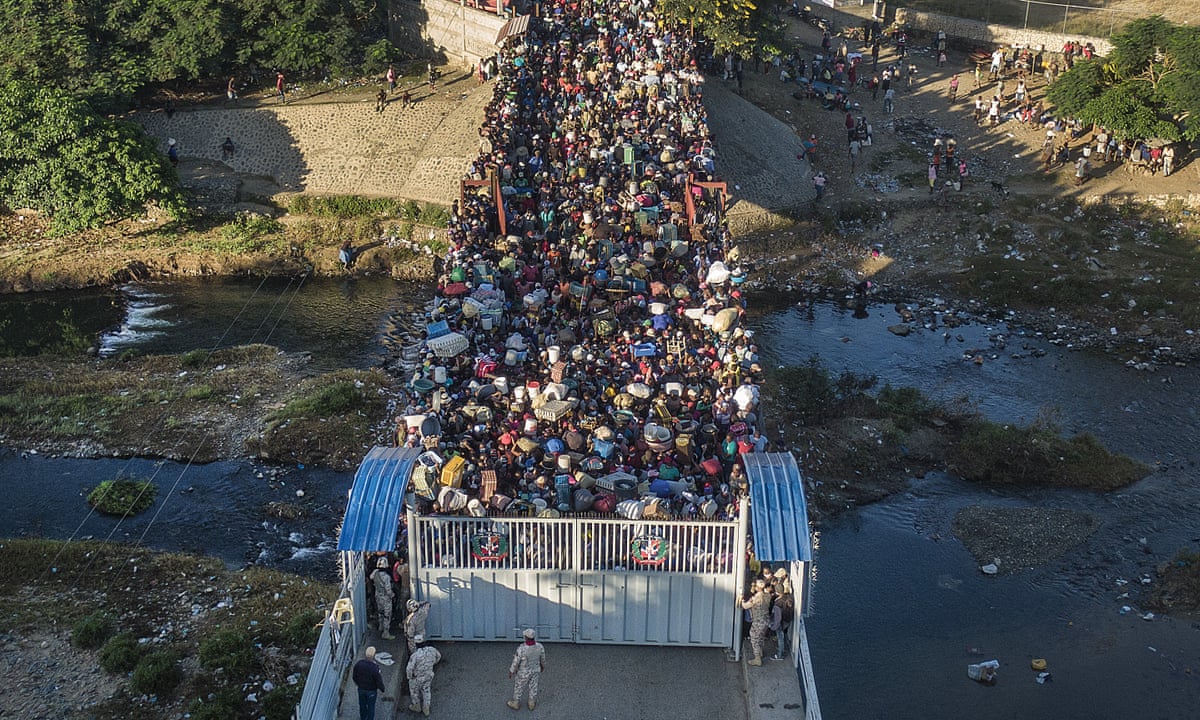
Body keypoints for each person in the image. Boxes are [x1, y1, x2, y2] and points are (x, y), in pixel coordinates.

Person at [507, 628, 546, 711]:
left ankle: (516, 703)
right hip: (535, 670)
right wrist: (542, 666)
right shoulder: (539, 646)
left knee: (519, 687)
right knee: (533, 686)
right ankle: (531, 703)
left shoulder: (521, 649)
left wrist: (511, 671)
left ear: (526, 637)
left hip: (523, 672)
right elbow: (542, 658)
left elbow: (516, 661)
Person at [406, 636, 442, 717]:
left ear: (416, 644)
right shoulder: (432, 650)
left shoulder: (415, 655)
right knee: (426, 691)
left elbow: (409, 668)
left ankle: (416, 706)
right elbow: (439, 656)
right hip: (428, 675)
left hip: (417, 677)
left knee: (414, 692)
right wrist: (433, 663)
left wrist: (409, 677)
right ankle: (426, 708)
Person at [741, 578, 772, 665]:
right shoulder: (768, 595)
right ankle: (760, 651)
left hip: (758, 620)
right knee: (761, 636)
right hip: (766, 619)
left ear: (758, 588)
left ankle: (757, 658)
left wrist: (741, 599)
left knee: (754, 637)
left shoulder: (756, 598)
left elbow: (745, 606)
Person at [352, 646, 386, 720]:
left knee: (362, 706)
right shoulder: (375, 668)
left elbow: (354, 676)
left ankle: (363, 718)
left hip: (361, 689)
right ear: (374, 655)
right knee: (371, 707)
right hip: (371, 691)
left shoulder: (359, 664)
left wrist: (358, 684)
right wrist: (382, 689)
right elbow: (378, 680)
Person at [372, 554, 395, 639]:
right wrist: (392, 595)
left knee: (380, 612)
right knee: (387, 615)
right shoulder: (386, 577)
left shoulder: (375, 573)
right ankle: (386, 633)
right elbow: (388, 589)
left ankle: (380, 626)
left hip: (378, 596)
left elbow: (371, 577)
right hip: (386, 598)